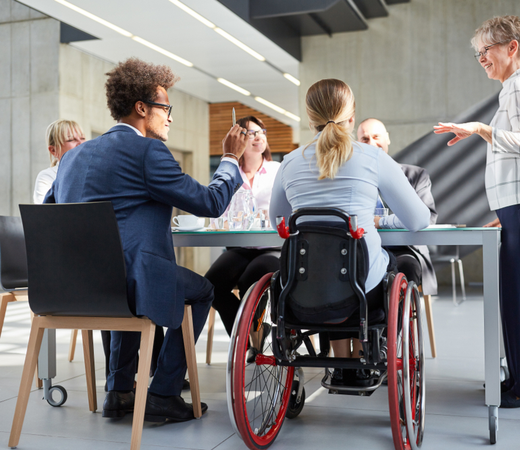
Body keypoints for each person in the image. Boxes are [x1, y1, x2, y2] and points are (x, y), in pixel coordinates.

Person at [45, 57, 249, 422]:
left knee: (125, 277)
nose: (170, 117)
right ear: (142, 108)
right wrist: (231, 159)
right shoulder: (148, 151)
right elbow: (210, 202)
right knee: (203, 290)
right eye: (165, 107)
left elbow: (50, 215)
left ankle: (120, 391)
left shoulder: (71, 159)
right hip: (129, 283)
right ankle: (164, 391)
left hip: (74, 288)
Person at [433, 16, 520, 408]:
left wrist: (480, 129)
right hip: (518, 207)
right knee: (515, 294)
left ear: (511, 47)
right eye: (478, 53)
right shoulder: (517, 87)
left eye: (485, 50)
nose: (481, 58)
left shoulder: (519, 84)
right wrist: (506, 211)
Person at [269, 78, 430, 367]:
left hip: (303, 284)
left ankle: (341, 362)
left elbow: (278, 221)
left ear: (310, 119)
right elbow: (419, 219)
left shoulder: (289, 163)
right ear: (352, 117)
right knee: (395, 266)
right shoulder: (373, 157)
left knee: (330, 268)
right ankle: (372, 352)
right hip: (361, 286)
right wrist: (378, 221)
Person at [204, 116, 280, 336]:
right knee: (210, 287)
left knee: (250, 280)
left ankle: (249, 336)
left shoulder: (277, 170)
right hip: (239, 248)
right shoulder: (229, 174)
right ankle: (245, 337)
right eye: (251, 133)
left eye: (261, 132)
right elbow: (218, 212)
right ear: (238, 140)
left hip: (272, 247)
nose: (259, 136)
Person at [357, 118, 438, 296]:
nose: (371, 143)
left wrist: (381, 222)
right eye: (365, 139)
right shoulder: (355, 180)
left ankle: (396, 323)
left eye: (376, 136)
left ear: (387, 138)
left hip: (405, 249)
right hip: (364, 249)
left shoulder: (416, 175)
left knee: (406, 267)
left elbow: (428, 217)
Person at [33, 120, 85, 204]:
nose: (81, 143)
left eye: (83, 138)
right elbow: (45, 214)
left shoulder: (93, 172)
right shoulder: (46, 177)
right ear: (53, 150)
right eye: (71, 140)